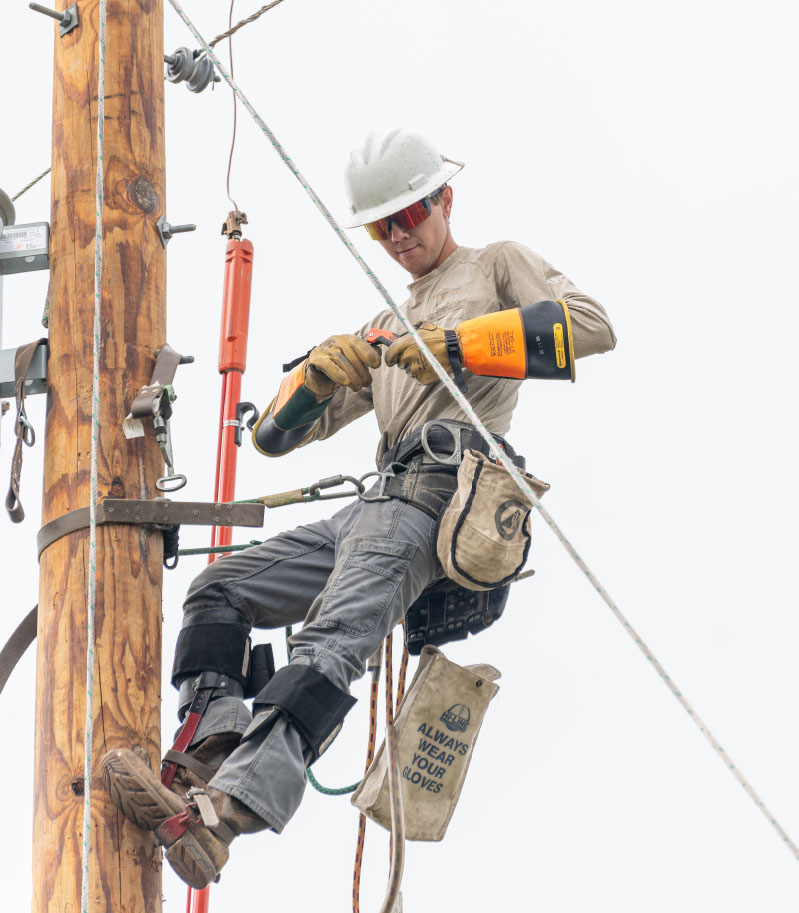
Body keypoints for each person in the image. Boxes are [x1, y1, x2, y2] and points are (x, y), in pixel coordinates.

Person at [102, 127, 616, 888]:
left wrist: (454, 345)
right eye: (382, 227)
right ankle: (211, 747)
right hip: (378, 499)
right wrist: (315, 378)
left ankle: (227, 816)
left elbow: (592, 326)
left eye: (409, 215)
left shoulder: (494, 265)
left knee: (331, 640)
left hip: (440, 490)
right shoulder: (382, 327)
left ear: (445, 200)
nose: (399, 236)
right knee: (220, 588)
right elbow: (273, 438)